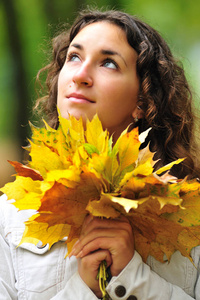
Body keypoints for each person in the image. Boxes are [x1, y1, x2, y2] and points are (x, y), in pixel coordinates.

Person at [0, 8, 200, 300]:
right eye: (74, 57)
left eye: (108, 63)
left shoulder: (191, 215)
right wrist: (83, 290)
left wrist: (133, 278)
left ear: (143, 100)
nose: (80, 75)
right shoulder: (11, 215)